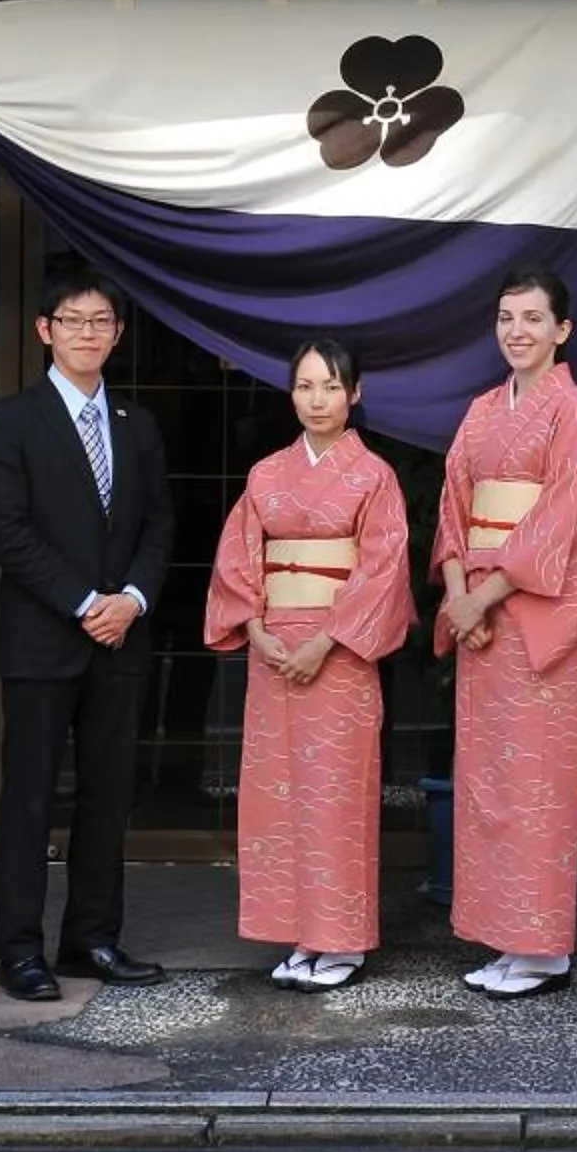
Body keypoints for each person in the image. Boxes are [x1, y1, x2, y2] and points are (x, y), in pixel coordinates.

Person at [0, 270, 175, 1002]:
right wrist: (87, 600)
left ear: (118, 335)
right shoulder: (9, 423)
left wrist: (132, 599)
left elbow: (159, 523)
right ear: (43, 331)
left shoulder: (137, 424)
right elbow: (6, 532)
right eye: (73, 320)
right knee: (28, 796)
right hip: (41, 638)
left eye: (101, 322)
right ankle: (19, 947)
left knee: (107, 795)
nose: (88, 332)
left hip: (123, 638)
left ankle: (93, 937)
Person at [202, 338, 415, 992]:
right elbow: (239, 561)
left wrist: (326, 640)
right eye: (304, 387)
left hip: (339, 655)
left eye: (329, 387)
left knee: (336, 797)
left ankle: (341, 941)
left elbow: (383, 569)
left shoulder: (374, 476)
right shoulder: (266, 474)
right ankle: (299, 934)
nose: (317, 400)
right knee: (278, 797)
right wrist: (259, 631)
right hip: (275, 655)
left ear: (355, 394)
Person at [434, 268, 577, 999]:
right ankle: (505, 939)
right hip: (480, 611)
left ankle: (543, 946)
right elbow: (454, 507)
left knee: (537, 778)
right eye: (507, 318)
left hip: (533, 614)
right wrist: (458, 594)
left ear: (562, 331)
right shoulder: (481, 411)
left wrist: (486, 595)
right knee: (488, 780)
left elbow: (567, 520)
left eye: (533, 319)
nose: (517, 331)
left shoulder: (574, 412)